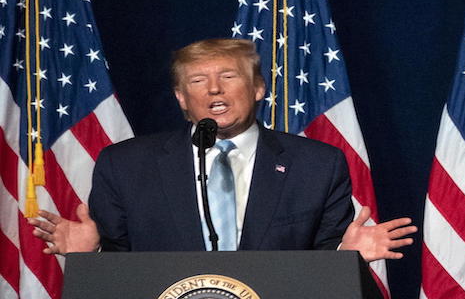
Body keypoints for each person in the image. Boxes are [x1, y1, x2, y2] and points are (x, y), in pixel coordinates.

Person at [28, 38, 414, 261]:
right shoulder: (125, 165)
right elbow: (118, 268)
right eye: (198, 80)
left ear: (258, 88)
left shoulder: (316, 164)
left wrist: (345, 259)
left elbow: (322, 266)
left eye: (228, 77)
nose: (214, 89)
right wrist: (88, 256)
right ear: (181, 97)